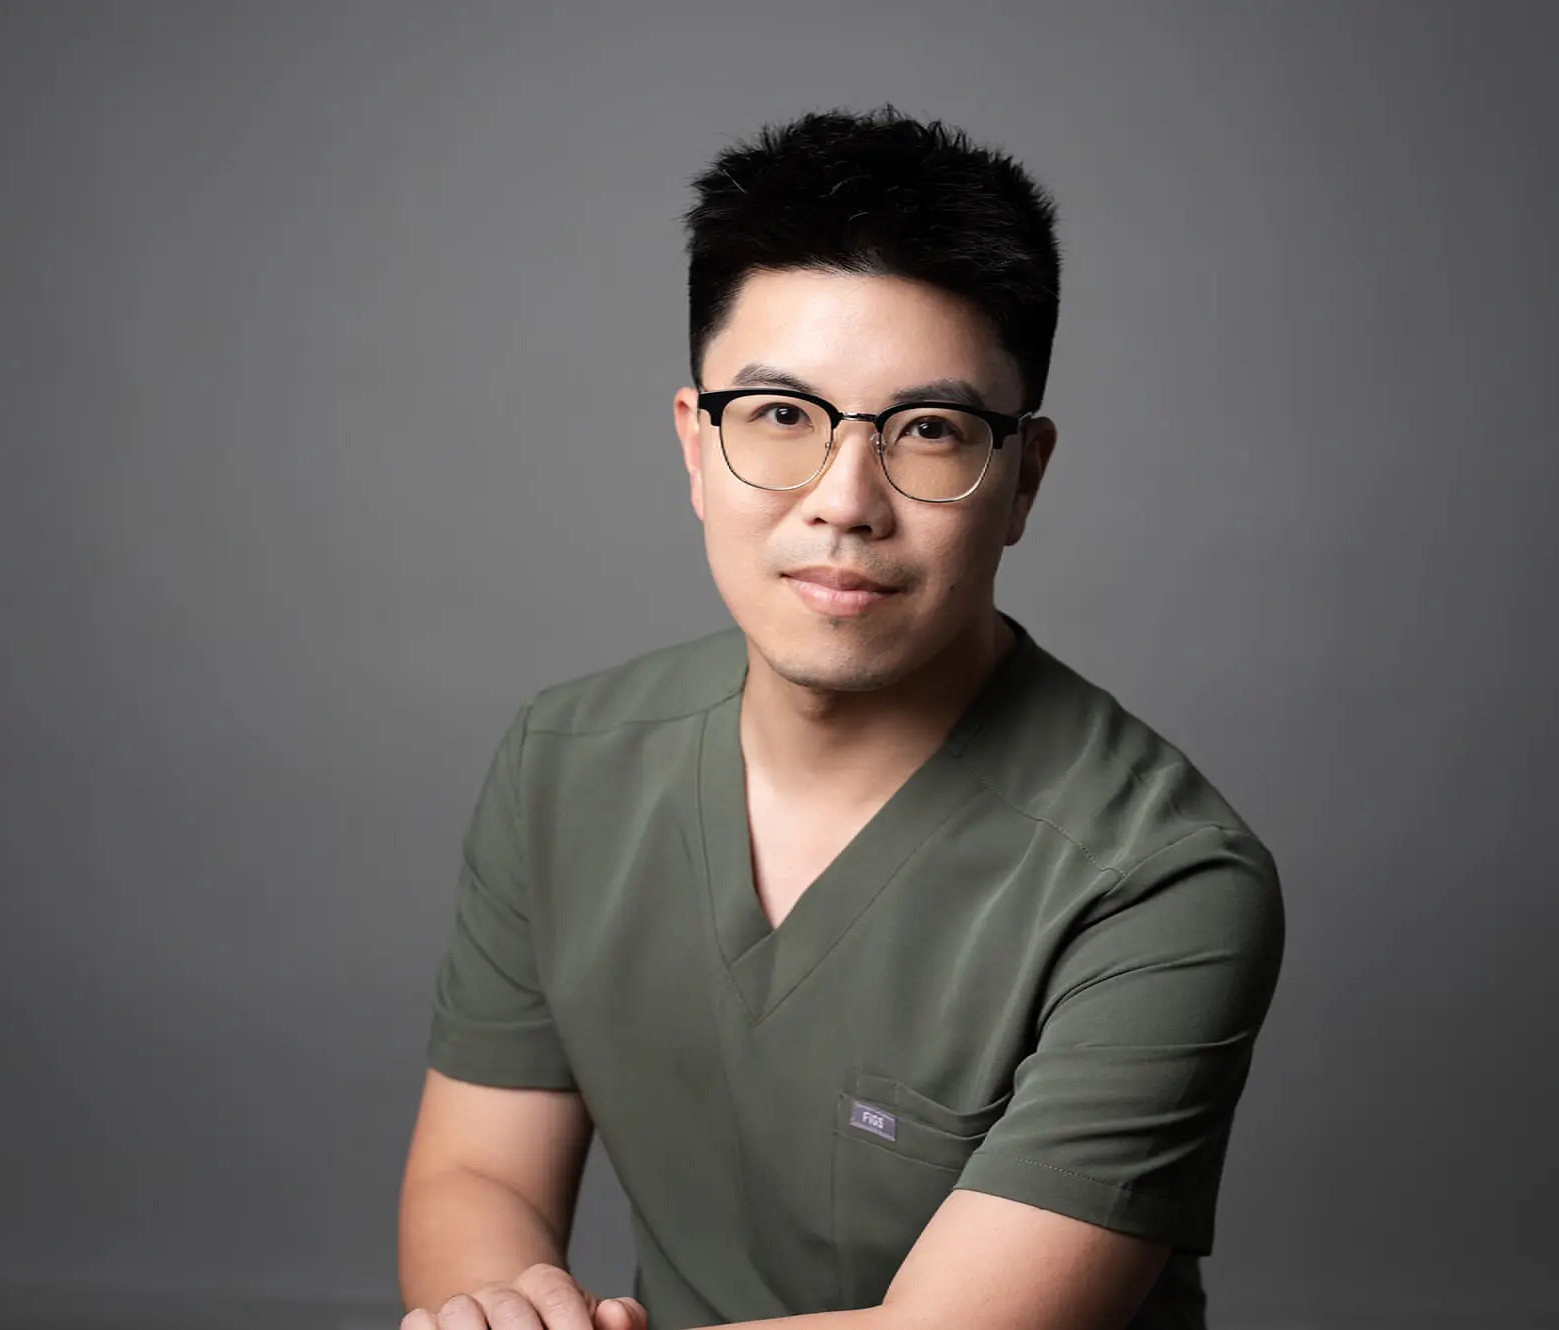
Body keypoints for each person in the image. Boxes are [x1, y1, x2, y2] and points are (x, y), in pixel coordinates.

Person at [395, 107, 1285, 1330]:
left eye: (928, 431)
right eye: (778, 414)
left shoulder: (1161, 878)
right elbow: (474, 1173)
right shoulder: (563, 762)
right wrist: (501, 1316)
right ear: (694, 445)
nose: (844, 501)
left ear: (1022, 479)